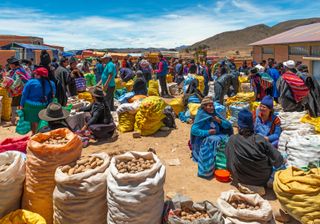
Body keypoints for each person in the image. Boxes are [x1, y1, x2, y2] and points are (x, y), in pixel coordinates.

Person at [225, 109, 284, 187]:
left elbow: (229, 158)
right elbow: (278, 159)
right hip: (261, 180)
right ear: (252, 123)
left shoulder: (232, 139)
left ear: (239, 125)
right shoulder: (260, 139)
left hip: (239, 177)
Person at [190, 96, 232, 178]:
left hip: (217, 136)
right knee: (213, 140)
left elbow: (228, 126)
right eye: (209, 106)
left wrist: (219, 121)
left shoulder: (215, 114)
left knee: (228, 140)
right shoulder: (201, 115)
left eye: (212, 105)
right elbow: (194, 130)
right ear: (204, 107)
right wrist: (207, 132)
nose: (212, 107)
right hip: (204, 140)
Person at [20, 67, 56, 135]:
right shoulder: (51, 83)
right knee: (40, 121)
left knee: (33, 122)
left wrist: (21, 104)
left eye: (35, 74)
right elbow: (52, 96)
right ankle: (39, 135)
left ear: (38, 75)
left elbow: (24, 94)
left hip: (30, 106)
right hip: (43, 105)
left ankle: (34, 135)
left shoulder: (31, 82)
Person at [4, 57, 31, 126]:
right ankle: (25, 120)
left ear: (13, 64)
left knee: (14, 105)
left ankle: (13, 121)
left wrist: (12, 88)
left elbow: (18, 81)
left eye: (10, 64)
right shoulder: (21, 69)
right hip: (24, 90)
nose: (9, 66)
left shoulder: (18, 71)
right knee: (21, 105)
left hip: (18, 91)